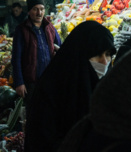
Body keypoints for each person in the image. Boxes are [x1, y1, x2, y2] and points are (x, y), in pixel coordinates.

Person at [24, 21, 116, 152]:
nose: (104, 62)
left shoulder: (106, 91)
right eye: (97, 54)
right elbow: (41, 142)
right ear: (79, 54)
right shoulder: (50, 89)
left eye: (108, 54)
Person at [11, 0, 61, 111]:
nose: (39, 13)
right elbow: (16, 58)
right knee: (33, 113)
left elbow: (60, 48)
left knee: (49, 112)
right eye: (35, 9)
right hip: (31, 82)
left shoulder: (50, 28)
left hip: (48, 80)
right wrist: (19, 82)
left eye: (42, 9)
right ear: (29, 11)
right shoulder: (21, 30)